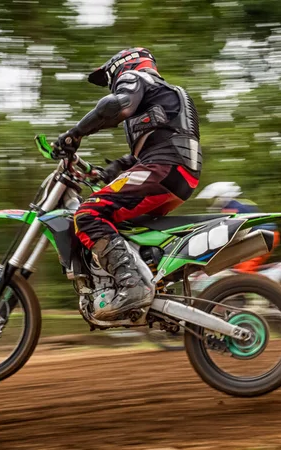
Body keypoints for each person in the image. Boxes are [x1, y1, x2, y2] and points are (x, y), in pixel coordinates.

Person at [53, 48, 202, 320]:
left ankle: (131, 286)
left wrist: (74, 134)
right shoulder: (166, 93)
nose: (110, 83)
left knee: (87, 215)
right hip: (178, 174)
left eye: (108, 77)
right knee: (122, 222)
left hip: (162, 168)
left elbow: (115, 105)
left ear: (122, 66)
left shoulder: (136, 78)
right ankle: (153, 283)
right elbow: (151, 147)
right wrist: (106, 172)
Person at [195, 182, 280, 272]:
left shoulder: (232, 210)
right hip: (264, 235)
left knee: (244, 270)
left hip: (264, 236)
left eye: (212, 199)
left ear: (221, 197)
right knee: (235, 265)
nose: (209, 203)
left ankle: (259, 285)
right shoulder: (235, 206)